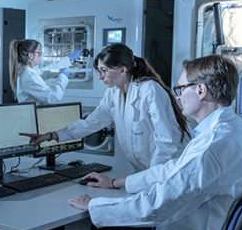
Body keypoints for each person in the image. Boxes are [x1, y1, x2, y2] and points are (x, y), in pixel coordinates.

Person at [65, 55, 242, 230]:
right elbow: (173, 169)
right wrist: (118, 183)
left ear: (200, 90)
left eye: (180, 88)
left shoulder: (212, 145)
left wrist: (94, 205)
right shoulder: (231, 128)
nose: (177, 95)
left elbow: (158, 205)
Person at [23, 43, 190, 173]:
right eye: (98, 71)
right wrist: (52, 135)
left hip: (169, 171)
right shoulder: (113, 94)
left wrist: (152, 178)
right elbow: (90, 123)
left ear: (123, 69)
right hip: (146, 173)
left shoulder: (149, 90)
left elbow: (168, 142)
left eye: (104, 70)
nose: (101, 77)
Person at [9, 39, 80, 105]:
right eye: (39, 52)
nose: (41, 55)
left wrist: (68, 59)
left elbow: (44, 71)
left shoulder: (28, 71)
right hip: (32, 114)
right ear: (30, 55)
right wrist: (64, 76)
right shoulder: (29, 76)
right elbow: (53, 97)